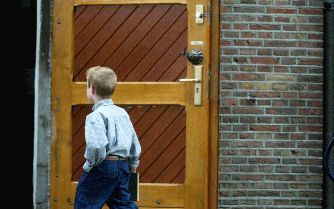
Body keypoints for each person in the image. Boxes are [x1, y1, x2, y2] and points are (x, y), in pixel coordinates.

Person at [74, 66, 141, 209]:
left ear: (91, 89)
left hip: (102, 166)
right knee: (124, 205)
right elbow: (134, 142)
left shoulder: (94, 116)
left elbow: (96, 146)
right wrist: (133, 164)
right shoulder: (122, 113)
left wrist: (90, 165)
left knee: (85, 203)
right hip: (123, 166)